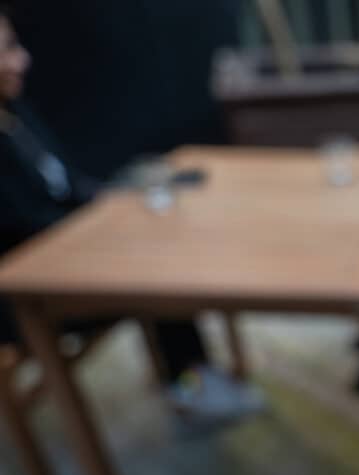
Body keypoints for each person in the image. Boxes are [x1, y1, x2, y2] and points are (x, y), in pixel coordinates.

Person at [0, 7, 260, 420]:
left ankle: (188, 378)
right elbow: (29, 229)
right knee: (156, 275)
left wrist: (115, 199)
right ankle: (188, 384)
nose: (23, 59)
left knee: (163, 238)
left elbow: (67, 183)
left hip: (72, 253)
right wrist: (110, 226)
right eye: (9, 50)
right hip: (27, 296)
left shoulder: (14, 114)